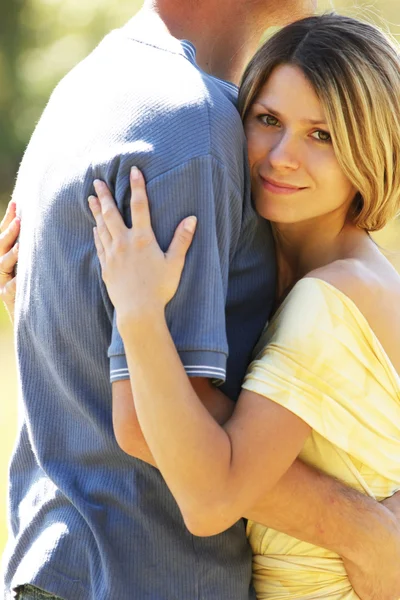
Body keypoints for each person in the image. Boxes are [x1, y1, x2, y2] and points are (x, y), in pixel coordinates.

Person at [1, 4, 400, 600]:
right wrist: (59, 312)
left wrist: (138, 315)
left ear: (371, 150)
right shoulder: (302, 279)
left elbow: (211, 487)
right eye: (267, 119)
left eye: (322, 135)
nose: (282, 155)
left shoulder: (330, 301)